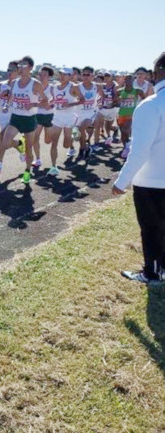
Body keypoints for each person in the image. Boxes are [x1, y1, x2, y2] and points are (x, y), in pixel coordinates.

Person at [113, 52, 165, 284]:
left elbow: (140, 150)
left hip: (151, 181)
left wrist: (121, 181)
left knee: (152, 229)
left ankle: (152, 273)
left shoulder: (150, 105)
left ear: (157, 74)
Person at [0, 55, 49, 183]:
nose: (20, 67)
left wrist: (33, 104)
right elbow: (12, 97)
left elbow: (46, 103)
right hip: (15, 118)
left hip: (29, 120)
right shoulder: (14, 83)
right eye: (19, 65)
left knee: (29, 150)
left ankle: (27, 171)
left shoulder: (36, 84)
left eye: (23, 65)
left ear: (30, 68)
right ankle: (18, 144)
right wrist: (7, 105)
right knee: (5, 142)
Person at [74, 66, 105, 160]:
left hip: (90, 113)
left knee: (80, 130)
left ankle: (82, 148)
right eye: (84, 75)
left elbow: (102, 95)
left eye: (88, 74)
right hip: (78, 113)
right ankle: (85, 148)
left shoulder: (97, 86)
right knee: (80, 134)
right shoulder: (77, 87)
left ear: (93, 76)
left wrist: (100, 104)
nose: (86, 77)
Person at [34, 65, 58, 170]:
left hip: (49, 116)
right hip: (37, 115)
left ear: (49, 76)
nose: (42, 76)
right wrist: (40, 105)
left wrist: (49, 105)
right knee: (35, 137)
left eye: (45, 74)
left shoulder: (52, 88)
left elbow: (56, 101)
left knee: (48, 141)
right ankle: (38, 159)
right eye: (40, 74)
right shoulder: (34, 87)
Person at [116, 74, 146, 158]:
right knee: (123, 133)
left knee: (126, 129)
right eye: (127, 79)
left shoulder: (137, 91)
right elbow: (115, 102)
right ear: (124, 80)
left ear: (133, 80)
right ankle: (126, 147)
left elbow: (145, 100)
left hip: (132, 114)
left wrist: (142, 109)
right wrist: (116, 102)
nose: (128, 80)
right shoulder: (119, 91)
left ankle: (130, 146)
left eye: (130, 79)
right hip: (121, 114)